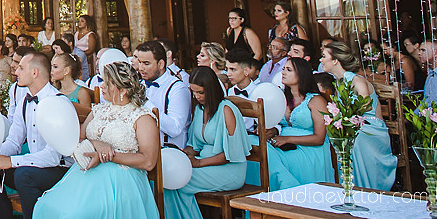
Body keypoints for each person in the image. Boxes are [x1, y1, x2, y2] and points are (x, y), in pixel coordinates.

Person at [33, 60, 160, 219]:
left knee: (77, 215)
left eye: (107, 83)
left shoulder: (142, 117)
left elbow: (148, 161)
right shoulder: (99, 110)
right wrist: (95, 143)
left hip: (122, 180)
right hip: (86, 175)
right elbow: (78, 138)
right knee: (45, 207)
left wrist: (108, 156)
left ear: (122, 89)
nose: (102, 86)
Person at [0, 50, 68, 219]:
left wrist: (11, 161)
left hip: (60, 170)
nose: (15, 71)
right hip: (35, 166)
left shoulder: (57, 102)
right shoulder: (24, 102)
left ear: (34, 72)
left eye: (21, 68)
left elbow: (53, 156)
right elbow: (14, 142)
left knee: (23, 175)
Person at [162, 66, 252, 219]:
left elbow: (230, 155)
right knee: (166, 177)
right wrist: (185, 154)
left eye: (201, 92)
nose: (196, 96)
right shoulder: (200, 109)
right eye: (194, 92)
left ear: (211, 90)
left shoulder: (226, 110)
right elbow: (194, 145)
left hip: (229, 169)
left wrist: (198, 163)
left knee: (177, 181)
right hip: (204, 164)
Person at [319, 41, 396, 189]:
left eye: (324, 56)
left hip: (371, 128)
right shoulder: (339, 84)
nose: (321, 60)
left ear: (335, 60)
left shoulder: (356, 80)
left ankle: (365, 187)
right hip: (354, 126)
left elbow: (364, 106)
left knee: (352, 138)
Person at [265, 57, 332, 190]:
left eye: (288, 70)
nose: (283, 72)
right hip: (286, 146)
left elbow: (319, 138)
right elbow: (282, 124)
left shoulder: (316, 100)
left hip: (310, 150)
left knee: (269, 157)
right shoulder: (281, 98)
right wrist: (274, 131)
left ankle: (289, 187)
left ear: (301, 74)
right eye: (283, 69)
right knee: (258, 148)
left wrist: (287, 138)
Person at [134, 40, 192, 148]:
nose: (141, 68)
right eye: (140, 62)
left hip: (170, 153)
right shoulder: (139, 85)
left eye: (146, 63)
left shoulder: (178, 89)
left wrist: (146, 103)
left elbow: (175, 129)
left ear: (161, 64)